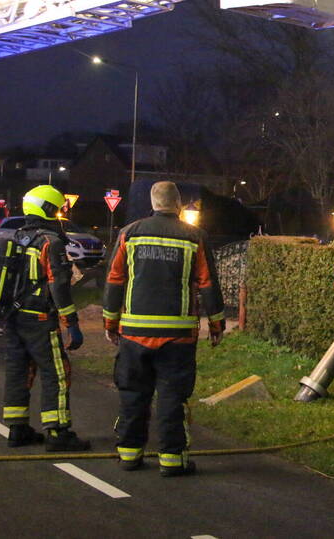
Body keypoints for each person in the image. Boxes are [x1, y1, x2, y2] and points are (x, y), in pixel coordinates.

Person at [103, 181, 224, 477]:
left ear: (153, 203)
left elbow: (115, 279)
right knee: (172, 396)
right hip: (178, 335)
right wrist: (217, 323)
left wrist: (110, 322)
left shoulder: (129, 234)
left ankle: (129, 455)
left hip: (134, 332)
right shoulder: (194, 236)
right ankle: (172, 460)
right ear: (178, 204)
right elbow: (208, 282)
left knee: (133, 393)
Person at [0, 184, 89, 451]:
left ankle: (18, 430)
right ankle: (58, 432)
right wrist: (72, 323)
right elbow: (59, 286)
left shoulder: (16, 237)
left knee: (19, 371)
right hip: (40, 320)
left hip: (14, 318)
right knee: (57, 373)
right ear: (49, 209)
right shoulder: (49, 243)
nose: (60, 215)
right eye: (57, 209)